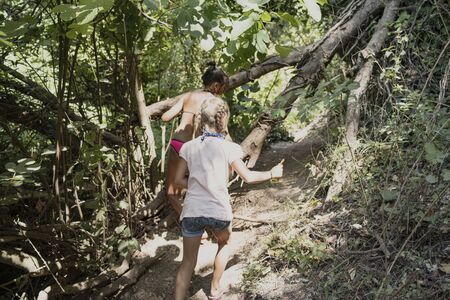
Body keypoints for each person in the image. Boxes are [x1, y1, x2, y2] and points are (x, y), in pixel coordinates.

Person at [174, 96, 284, 300]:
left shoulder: (188, 147)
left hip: (192, 211)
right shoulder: (229, 147)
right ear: (223, 120)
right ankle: (215, 290)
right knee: (224, 243)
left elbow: (178, 180)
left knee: (187, 262)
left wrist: (198, 184)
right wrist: (272, 173)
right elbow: (249, 177)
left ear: (201, 119)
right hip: (218, 212)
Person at [161, 62, 229, 216]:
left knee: (171, 192)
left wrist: (185, 112)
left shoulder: (189, 95)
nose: (224, 91)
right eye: (224, 88)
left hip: (178, 144)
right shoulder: (216, 102)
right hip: (199, 149)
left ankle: (190, 219)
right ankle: (206, 218)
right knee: (202, 187)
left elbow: (166, 118)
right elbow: (223, 130)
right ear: (216, 86)